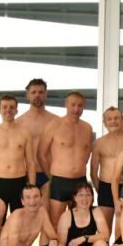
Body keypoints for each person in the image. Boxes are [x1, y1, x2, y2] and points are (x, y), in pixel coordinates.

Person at [38, 91, 94, 225]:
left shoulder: (87, 128)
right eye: (73, 105)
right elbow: (41, 154)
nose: (76, 109)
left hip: (80, 180)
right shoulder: (54, 125)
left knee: (80, 223)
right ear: (66, 105)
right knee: (55, 223)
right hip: (59, 180)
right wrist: (51, 176)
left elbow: (87, 152)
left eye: (80, 105)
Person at [0, 95, 36, 214]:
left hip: (19, 181)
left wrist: (32, 186)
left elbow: (31, 162)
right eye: (4, 107)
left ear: (16, 110)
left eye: (11, 107)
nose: (8, 110)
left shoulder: (25, 132)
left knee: (20, 218)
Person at [90, 107, 123, 234]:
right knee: (104, 231)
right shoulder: (99, 143)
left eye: (116, 118)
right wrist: (101, 190)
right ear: (104, 122)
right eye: (109, 119)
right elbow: (93, 171)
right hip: (105, 187)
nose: (113, 121)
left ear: (122, 120)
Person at [16, 78, 59, 195]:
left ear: (46, 95)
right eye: (33, 92)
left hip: (48, 173)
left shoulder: (55, 121)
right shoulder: (19, 122)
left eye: (41, 92)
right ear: (27, 95)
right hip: (25, 173)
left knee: (47, 206)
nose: (37, 95)